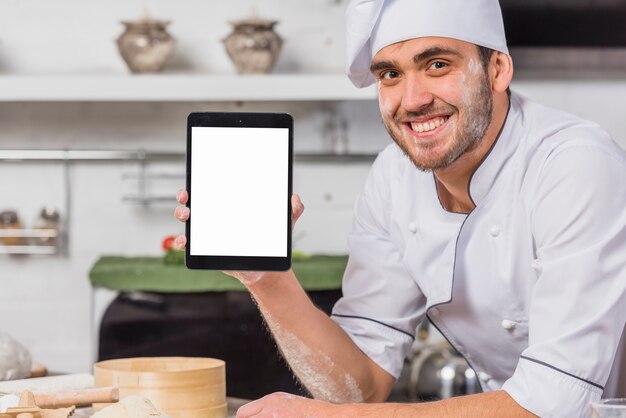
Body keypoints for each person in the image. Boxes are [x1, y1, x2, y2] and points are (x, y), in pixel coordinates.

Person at [175, 0, 626, 416]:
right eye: (390, 74)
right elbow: (359, 387)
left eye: (437, 65)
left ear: (498, 70)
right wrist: (268, 279)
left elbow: (555, 401)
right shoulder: (393, 176)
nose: (412, 100)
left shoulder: (574, 163)